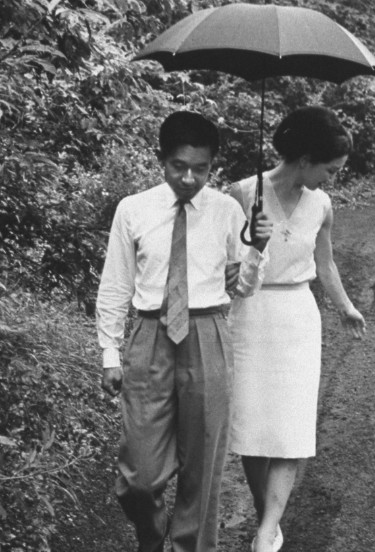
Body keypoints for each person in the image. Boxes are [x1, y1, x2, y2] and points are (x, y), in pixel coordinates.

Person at [96, 110, 272, 552]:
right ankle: (152, 542)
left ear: (213, 165)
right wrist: (110, 353)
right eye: (180, 166)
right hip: (149, 336)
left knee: (203, 467)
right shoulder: (133, 210)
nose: (190, 178)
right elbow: (115, 284)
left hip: (207, 333)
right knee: (139, 474)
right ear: (161, 160)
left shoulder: (228, 211)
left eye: (201, 168)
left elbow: (245, 288)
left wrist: (257, 249)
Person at [227, 105, 366, 552]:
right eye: (330, 168)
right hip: (250, 316)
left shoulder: (321, 204)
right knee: (251, 423)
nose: (332, 178)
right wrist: (252, 238)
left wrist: (344, 306)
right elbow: (226, 272)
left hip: (298, 320)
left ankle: (267, 528)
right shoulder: (241, 194)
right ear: (305, 158)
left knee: (290, 425)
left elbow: (323, 262)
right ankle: (264, 508)